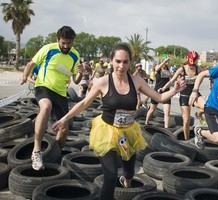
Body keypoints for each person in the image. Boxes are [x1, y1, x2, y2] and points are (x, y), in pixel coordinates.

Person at [51, 43, 186, 200]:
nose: (121, 66)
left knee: (129, 172)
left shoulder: (137, 81)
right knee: (110, 175)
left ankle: (126, 179)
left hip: (128, 133)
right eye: (118, 61)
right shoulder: (102, 82)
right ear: (111, 61)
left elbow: (160, 97)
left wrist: (175, 90)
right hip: (106, 132)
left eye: (125, 62)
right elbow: (83, 103)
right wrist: (64, 119)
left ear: (130, 62)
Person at [21, 25, 83, 171]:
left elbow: (77, 80)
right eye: (63, 43)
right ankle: (36, 150)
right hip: (43, 86)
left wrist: (81, 73)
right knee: (46, 106)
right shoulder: (48, 49)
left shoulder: (75, 55)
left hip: (61, 93)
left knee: (63, 130)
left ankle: (54, 153)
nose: (66, 46)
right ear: (58, 40)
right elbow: (31, 63)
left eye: (69, 43)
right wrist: (25, 75)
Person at [160, 51, 205, 140]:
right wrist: (163, 88)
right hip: (184, 95)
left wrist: (196, 88)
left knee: (206, 107)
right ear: (188, 60)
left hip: (194, 94)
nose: (191, 65)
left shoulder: (198, 69)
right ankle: (186, 140)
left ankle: (198, 113)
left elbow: (202, 79)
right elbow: (171, 81)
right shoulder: (182, 69)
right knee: (186, 120)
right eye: (190, 63)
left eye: (193, 63)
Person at [145, 57, 172, 128]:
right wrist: (164, 61)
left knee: (167, 113)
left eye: (166, 62)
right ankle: (146, 122)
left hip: (166, 92)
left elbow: (171, 78)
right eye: (164, 62)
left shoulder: (168, 70)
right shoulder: (158, 68)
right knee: (152, 109)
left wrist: (168, 66)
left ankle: (166, 128)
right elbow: (156, 69)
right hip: (156, 92)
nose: (166, 63)